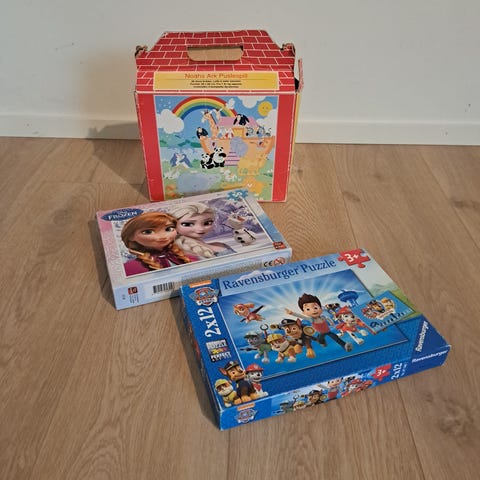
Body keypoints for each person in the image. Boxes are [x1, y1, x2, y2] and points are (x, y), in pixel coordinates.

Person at [120, 211, 193, 276]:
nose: (163, 236)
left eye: (169, 229)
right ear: (131, 237)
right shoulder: (130, 268)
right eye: (148, 232)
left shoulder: (187, 256)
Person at [168, 202, 234, 258]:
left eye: (207, 223)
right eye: (188, 224)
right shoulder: (177, 254)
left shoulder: (220, 245)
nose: (200, 229)